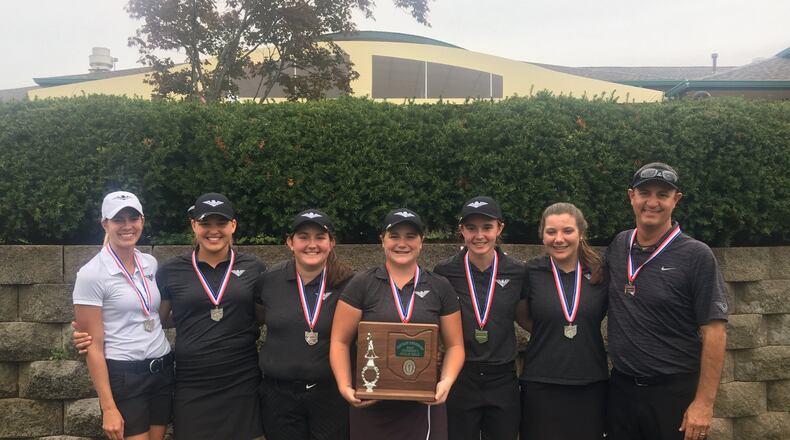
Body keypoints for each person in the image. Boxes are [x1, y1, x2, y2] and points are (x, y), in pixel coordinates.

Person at [77, 193, 267, 439]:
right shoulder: (170, 269)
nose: (213, 231)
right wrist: (88, 334)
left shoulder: (253, 267)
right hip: (190, 380)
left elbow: (265, 315)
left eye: (221, 223)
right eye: (205, 223)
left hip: (239, 378)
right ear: (193, 225)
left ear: (233, 225)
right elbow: (157, 316)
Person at [605, 162, 728, 440]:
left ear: (676, 199)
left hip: (673, 394)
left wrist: (704, 404)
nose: (652, 202)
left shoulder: (697, 256)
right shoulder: (619, 245)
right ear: (631, 197)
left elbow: (715, 332)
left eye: (662, 194)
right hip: (621, 390)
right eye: (645, 192)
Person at [329, 208, 465, 440]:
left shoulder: (439, 286)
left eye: (410, 236)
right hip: (371, 401)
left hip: (423, 404)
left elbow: (455, 346)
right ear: (382, 240)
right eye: (394, 236)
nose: (402, 243)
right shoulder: (361, 284)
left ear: (422, 241)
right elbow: (340, 341)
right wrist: (345, 386)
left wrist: (447, 382)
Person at [73, 191, 174, 440]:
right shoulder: (91, 274)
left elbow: (152, 316)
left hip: (162, 369)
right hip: (126, 375)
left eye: (133, 217)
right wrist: (108, 407)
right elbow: (92, 346)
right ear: (104, 224)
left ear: (142, 220)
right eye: (118, 219)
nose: (127, 226)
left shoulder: (149, 263)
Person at [433, 196, 527, 440]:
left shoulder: (517, 271)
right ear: (461, 230)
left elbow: (526, 315)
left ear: (499, 228)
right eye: (471, 228)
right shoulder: (445, 272)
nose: (479, 235)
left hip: (503, 377)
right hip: (462, 377)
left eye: (487, 227)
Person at [257, 209, 355, 440]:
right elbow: (252, 319)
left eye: (320, 237)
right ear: (290, 242)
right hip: (278, 396)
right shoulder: (269, 280)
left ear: (331, 243)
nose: (312, 244)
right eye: (303, 237)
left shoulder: (350, 284)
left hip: (330, 394)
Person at [519, 202, 609, 440]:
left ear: (581, 233)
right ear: (542, 235)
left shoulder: (601, 273)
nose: (559, 239)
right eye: (551, 232)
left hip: (590, 382)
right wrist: (552, 330)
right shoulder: (530, 272)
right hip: (541, 382)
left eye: (567, 231)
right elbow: (522, 316)